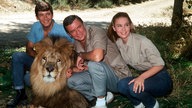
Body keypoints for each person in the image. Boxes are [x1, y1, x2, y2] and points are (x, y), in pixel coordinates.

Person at [6, 1, 74, 108]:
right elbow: (28, 48)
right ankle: (20, 92)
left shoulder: (61, 30)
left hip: (58, 64)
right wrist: (41, 60)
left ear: (52, 14)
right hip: (40, 60)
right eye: (41, 15)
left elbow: (73, 50)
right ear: (37, 17)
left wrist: (66, 66)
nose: (45, 18)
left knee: (28, 79)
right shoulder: (35, 27)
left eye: (48, 14)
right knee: (17, 56)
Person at [63, 15, 132, 108]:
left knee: (94, 64)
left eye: (79, 27)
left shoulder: (97, 31)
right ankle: (100, 97)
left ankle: (100, 103)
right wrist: (73, 69)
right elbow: (85, 67)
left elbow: (97, 57)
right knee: (71, 81)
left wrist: (81, 55)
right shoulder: (76, 43)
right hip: (100, 78)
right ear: (69, 34)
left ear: (84, 24)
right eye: (73, 31)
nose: (78, 32)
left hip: (119, 77)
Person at [107, 12, 173, 108]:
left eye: (126, 25)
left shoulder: (142, 41)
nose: (123, 29)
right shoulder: (119, 43)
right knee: (121, 85)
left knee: (133, 87)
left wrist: (141, 77)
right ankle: (138, 104)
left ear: (130, 26)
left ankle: (152, 104)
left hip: (161, 79)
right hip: (146, 78)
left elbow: (160, 65)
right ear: (114, 28)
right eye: (119, 26)